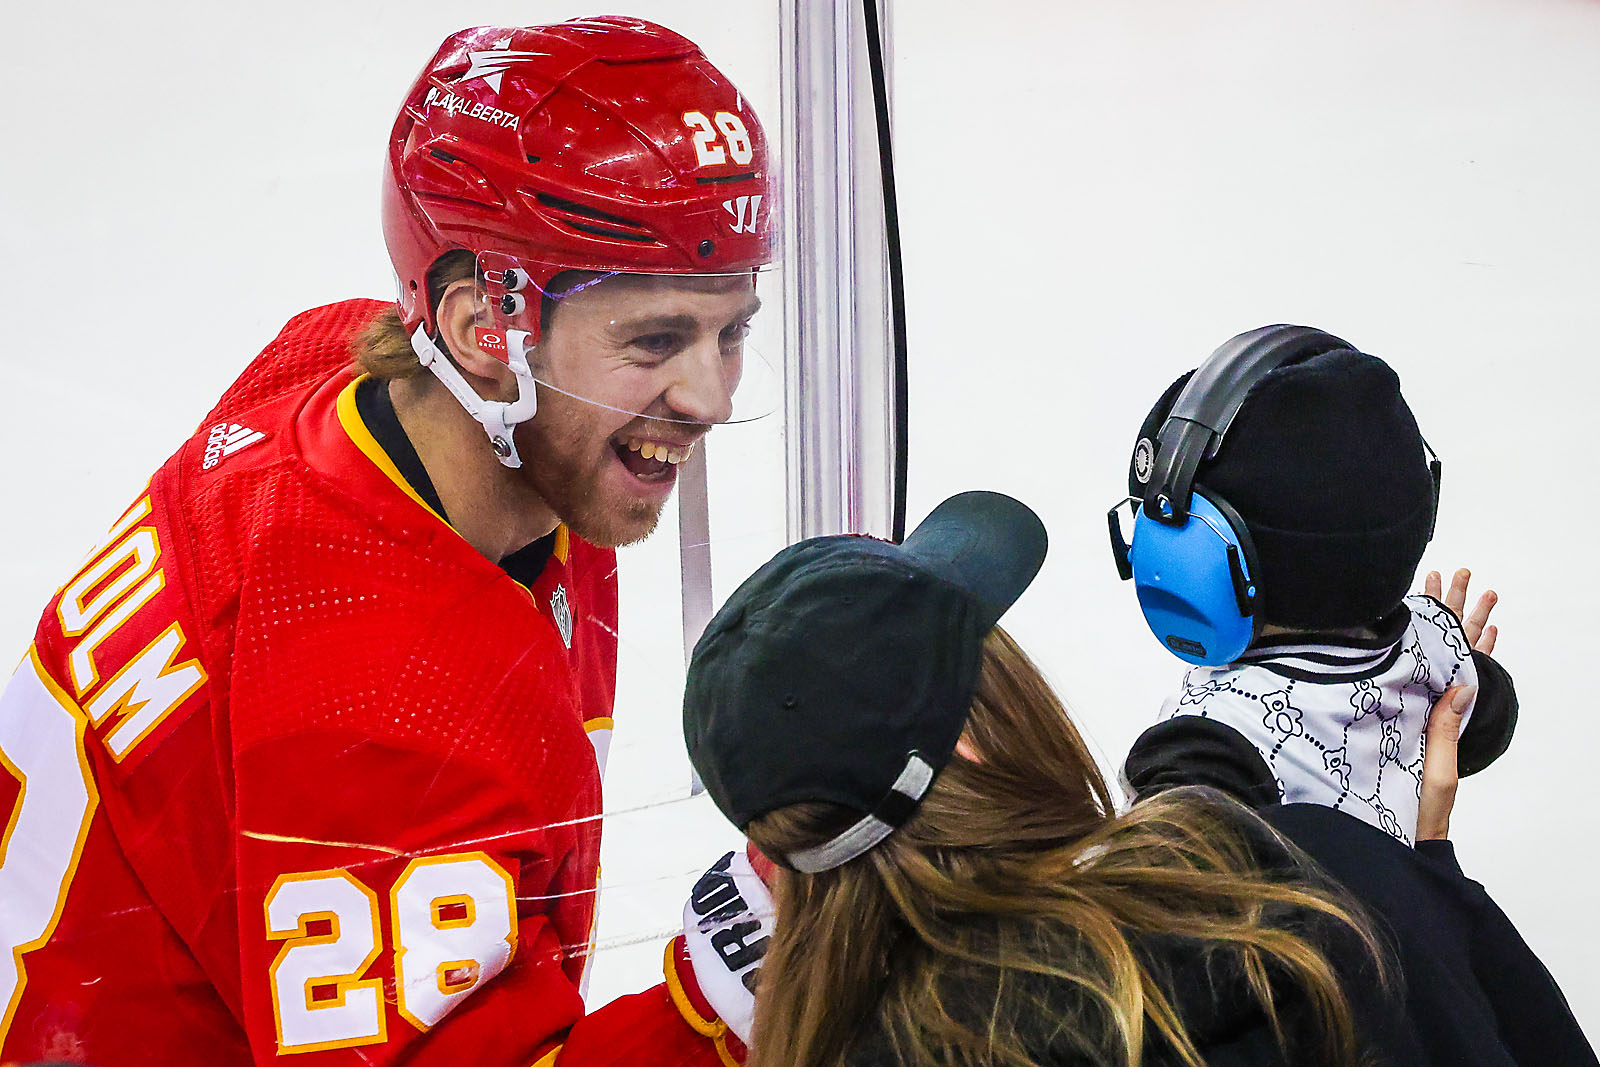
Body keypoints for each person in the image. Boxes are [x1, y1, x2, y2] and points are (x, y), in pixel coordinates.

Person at [0, 17, 769, 1065]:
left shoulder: (354, 371)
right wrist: (743, 965)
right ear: (476, 328)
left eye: (733, 330)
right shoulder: (386, 715)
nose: (712, 397)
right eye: (655, 340)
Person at [682, 491, 1429, 1067]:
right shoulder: (1230, 935)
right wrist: (1427, 875)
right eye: (987, 649)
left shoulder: (836, 1037)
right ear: (969, 744)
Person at [1110, 325, 1517, 844]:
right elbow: (1489, 716)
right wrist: (1450, 647)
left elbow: (1156, 878)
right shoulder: (1431, 644)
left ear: (1202, 550)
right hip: (1402, 913)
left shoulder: (1212, 742)